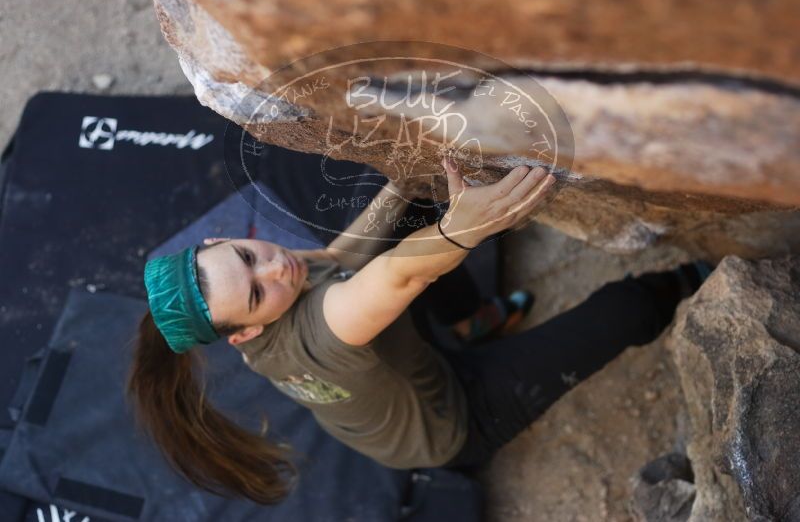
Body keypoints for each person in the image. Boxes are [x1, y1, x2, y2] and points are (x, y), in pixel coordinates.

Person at [127, 156, 699, 505]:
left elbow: (335, 256)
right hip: (456, 419)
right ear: (245, 336)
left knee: (411, 222)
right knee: (623, 310)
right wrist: (462, 227)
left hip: (403, 373)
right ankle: (697, 277)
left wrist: (403, 186)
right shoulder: (326, 327)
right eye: (256, 291)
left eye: (247, 255)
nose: (274, 268)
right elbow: (400, 275)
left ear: (220, 239)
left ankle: (471, 326)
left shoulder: (281, 292)